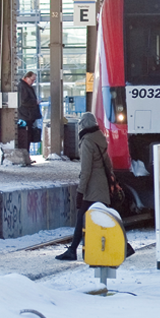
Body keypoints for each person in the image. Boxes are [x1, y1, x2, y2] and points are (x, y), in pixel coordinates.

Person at [56, 112, 134, 261]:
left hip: (92, 188)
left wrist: (80, 192)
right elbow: (108, 164)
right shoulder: (100, 139)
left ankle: (72, 251)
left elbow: (86, 170)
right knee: (107, 217)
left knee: (83, 218)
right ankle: (125, 246)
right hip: (102, 185)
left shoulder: (87, 142)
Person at [17, 71, 42, 152]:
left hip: (28, 116)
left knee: (28, 136)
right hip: (25, 116)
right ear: (27, 78)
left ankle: (27, 154)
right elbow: (24, 101)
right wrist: (35, 102)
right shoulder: (23, 87)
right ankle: (25, 154)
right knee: (26, 137)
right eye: (32, 80)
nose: (33, 82)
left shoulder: (25, 86)